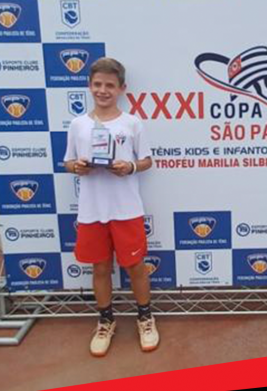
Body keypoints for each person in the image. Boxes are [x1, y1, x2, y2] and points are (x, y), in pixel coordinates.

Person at [64, 57, 159, 356]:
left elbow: (147, 160)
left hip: (126, 209)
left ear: (122, 88)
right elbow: (68, 161)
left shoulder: (132, 123)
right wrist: (77, 167)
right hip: (92, 210)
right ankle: (106, 320)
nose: (102, 90)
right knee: (100, 267)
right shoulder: (78, 124)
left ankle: (145, 317)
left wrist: (129, 167)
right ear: (89, 85)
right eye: (97, 84)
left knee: (136, 266)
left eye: (109, 85)